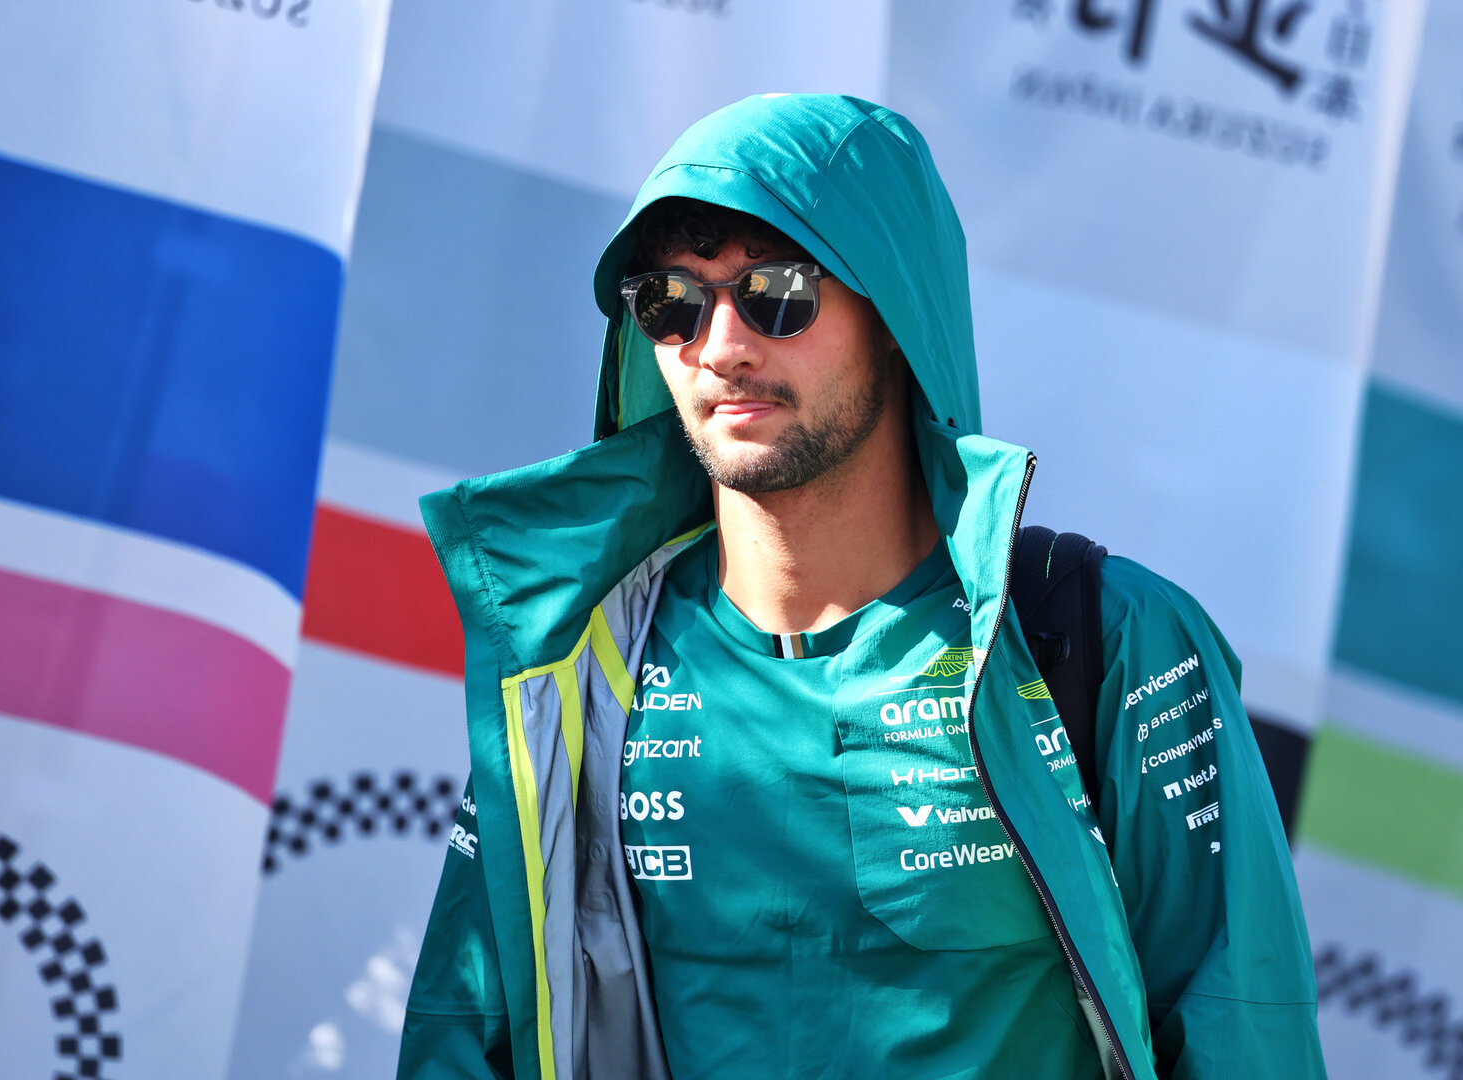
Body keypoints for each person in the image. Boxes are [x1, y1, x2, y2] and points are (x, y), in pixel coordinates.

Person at [398, 94, 1325, 1080]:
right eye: (669, 301)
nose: (719, 346)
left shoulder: (1108, 641)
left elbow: (1244, 1033)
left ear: (893, 315)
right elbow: (465, 1035)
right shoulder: (580, 660)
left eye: (776, 291)